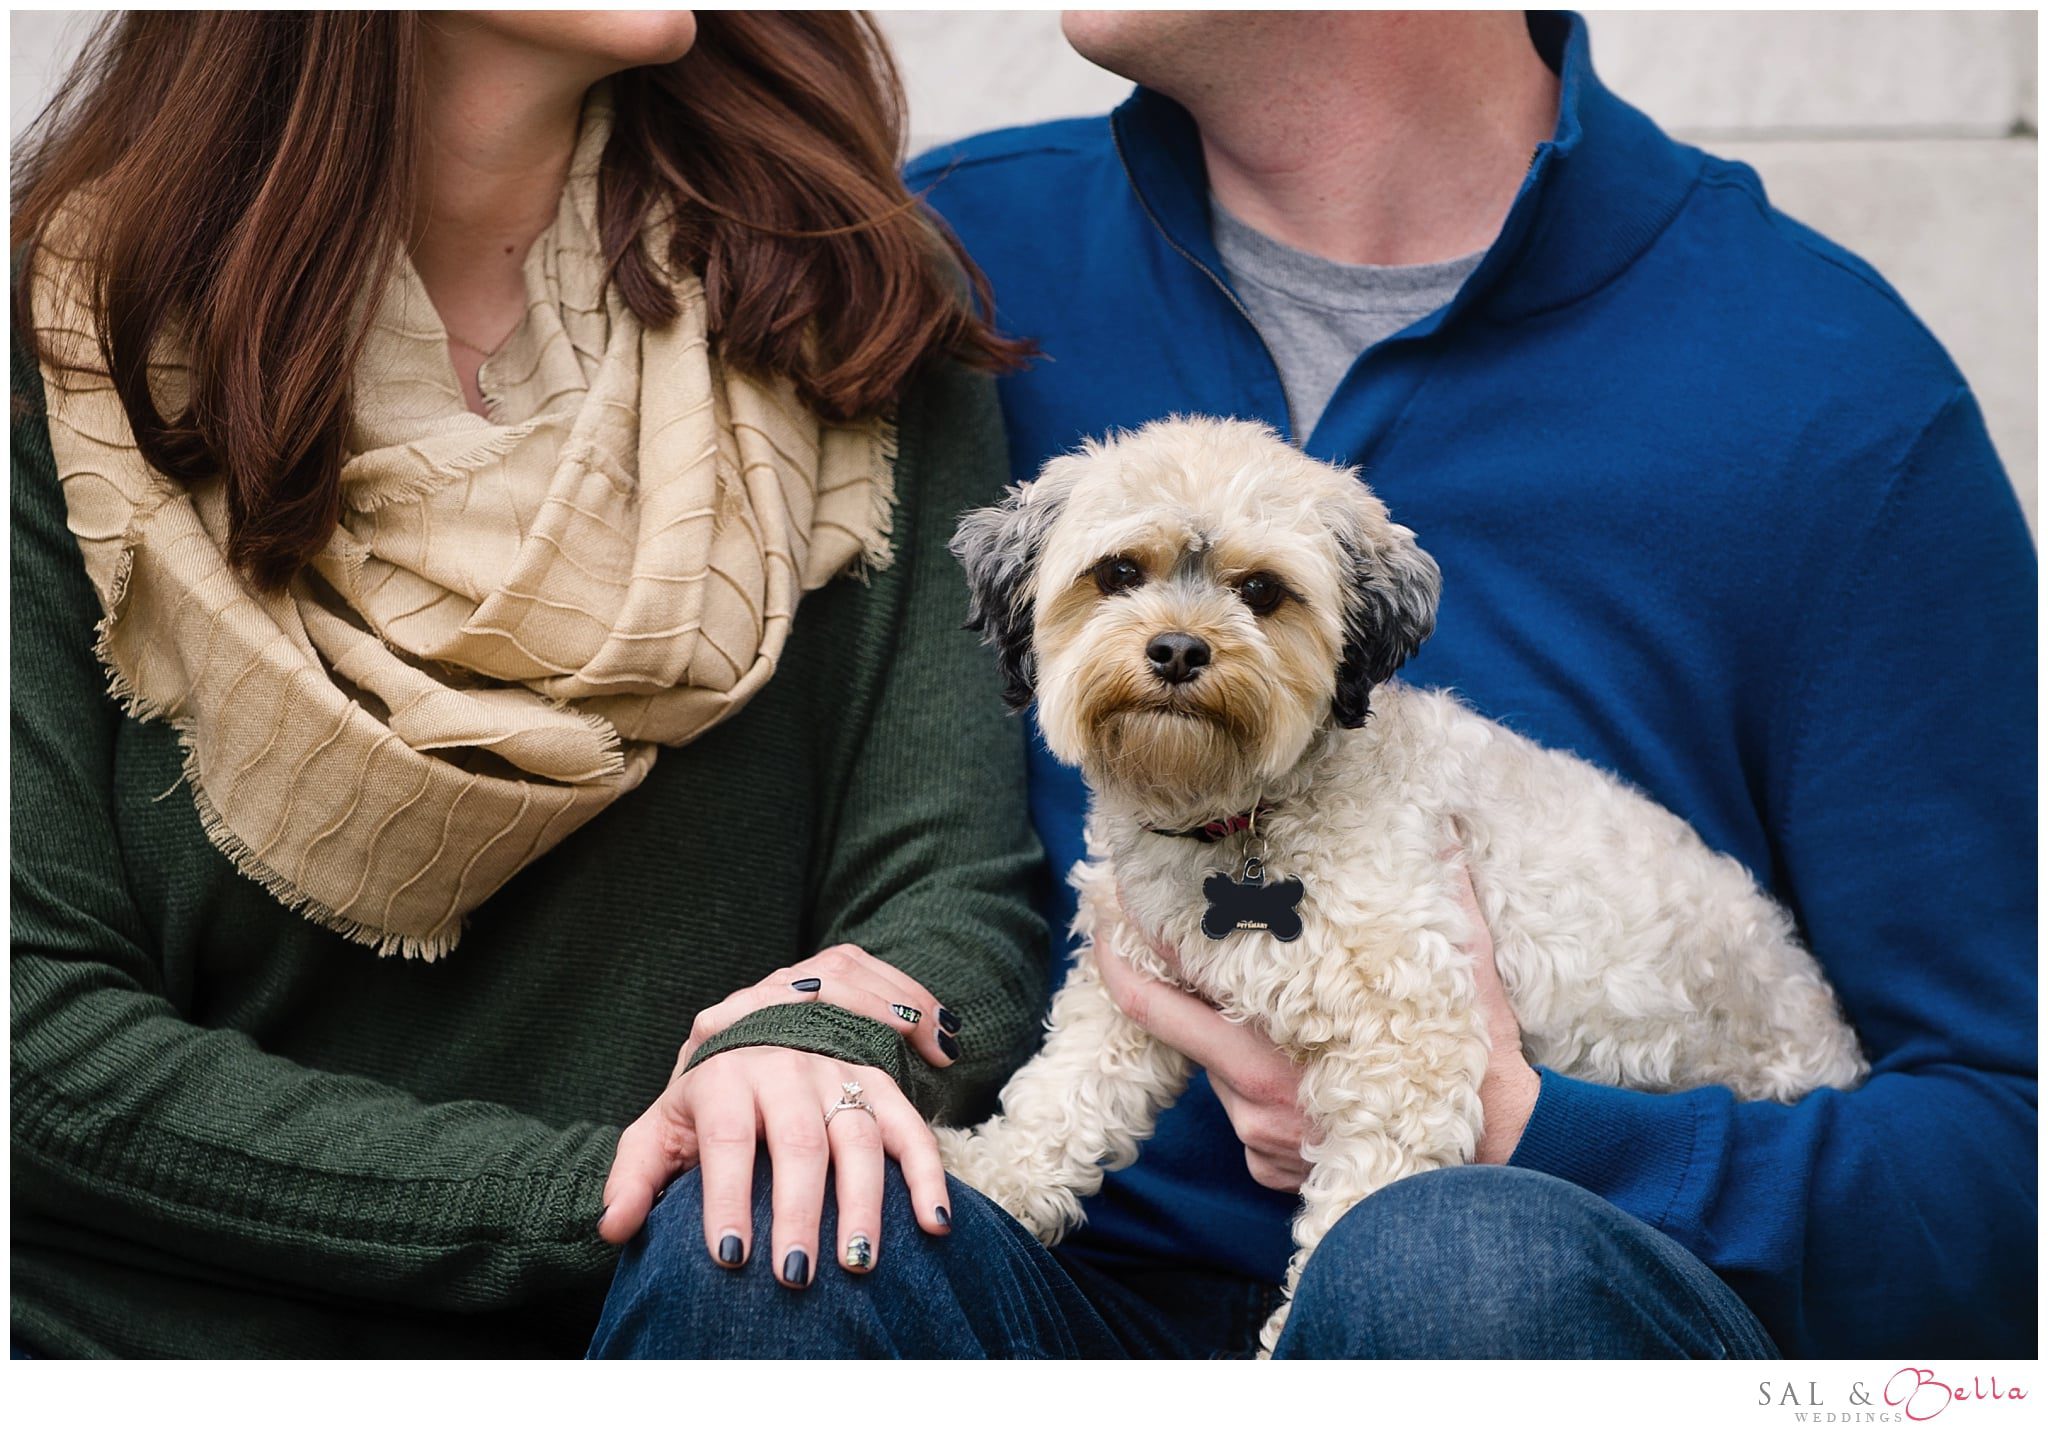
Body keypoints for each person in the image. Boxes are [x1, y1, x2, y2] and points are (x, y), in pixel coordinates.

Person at [591, 9, 2035, 1359]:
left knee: (1454, 1267)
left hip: (1542, 1301)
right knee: (761, 1242)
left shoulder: (1832, 393)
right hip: (1058, 1297)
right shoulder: (937, 264)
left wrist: (1546, 1135)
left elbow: (2006, 1168)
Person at [10, 10, 1050, 1359]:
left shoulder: (840, 295)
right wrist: (606, 1189)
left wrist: (822, 1051)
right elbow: (29, 1026)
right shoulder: (72, 352)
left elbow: (949, 896)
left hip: (709, 1320)